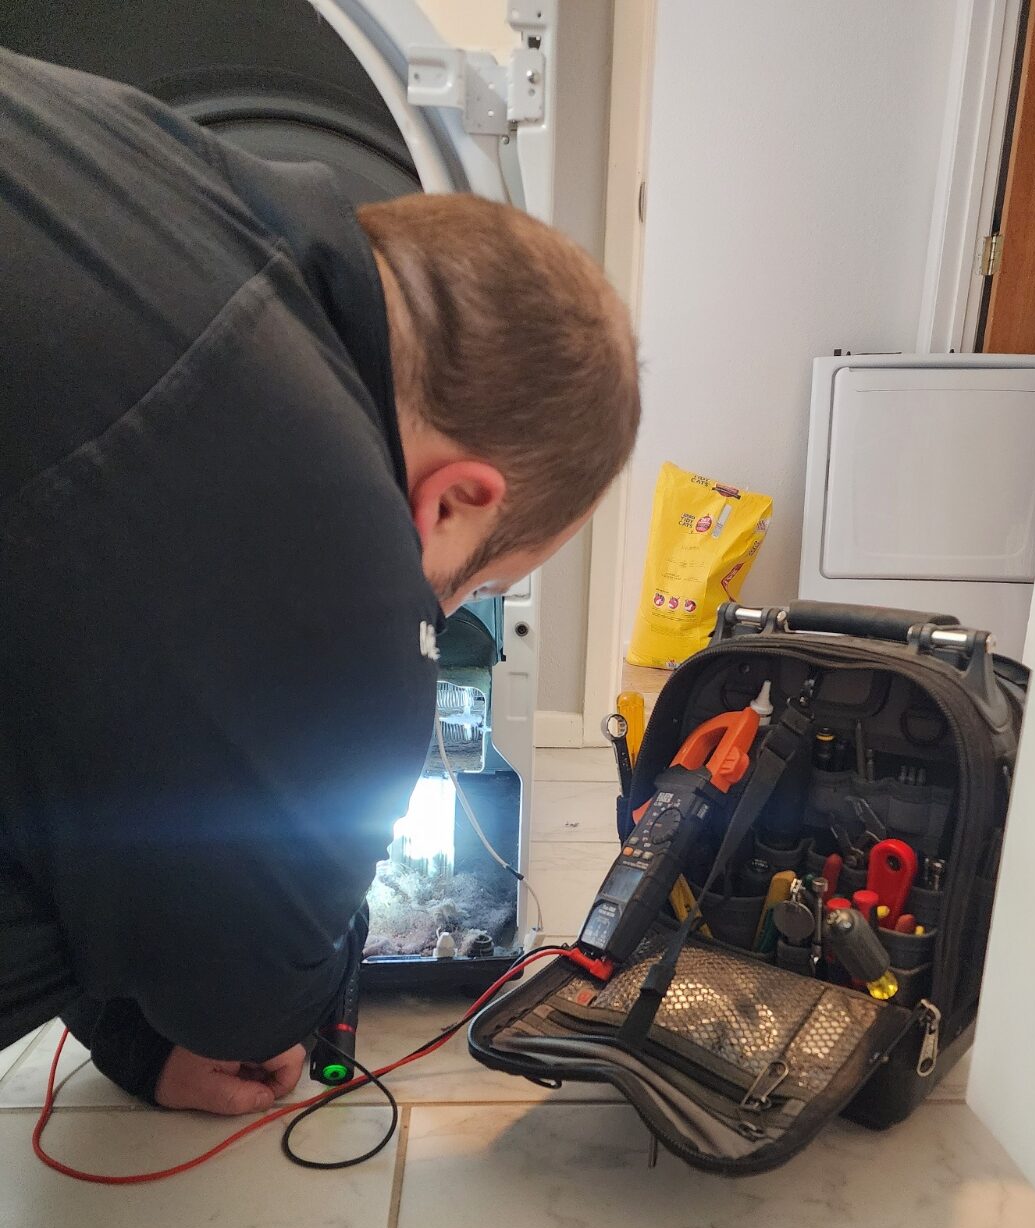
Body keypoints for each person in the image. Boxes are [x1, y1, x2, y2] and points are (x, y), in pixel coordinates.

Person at [0, 49, 640, 1114]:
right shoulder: (332, 559)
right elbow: (240, 1006)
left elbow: (67, 647)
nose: (443, 615)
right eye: (472, 589)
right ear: (454, 503)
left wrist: (130, 1039)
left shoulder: (145, 154)